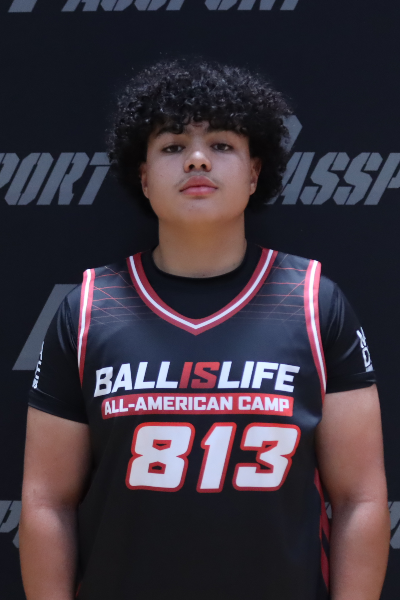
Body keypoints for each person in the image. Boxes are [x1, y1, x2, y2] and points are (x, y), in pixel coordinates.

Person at [19, 59, 390, 600]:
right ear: (144, 177)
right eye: (173, 146)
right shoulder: (91, 307)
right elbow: (47, 502)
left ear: (254, 172)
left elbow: (360, 498)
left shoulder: (314, 302)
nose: (197, 159)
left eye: (221, 144)